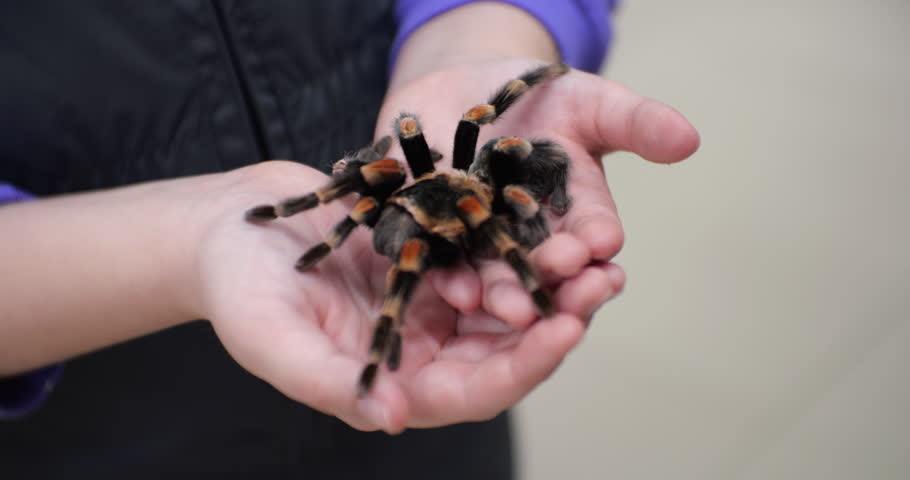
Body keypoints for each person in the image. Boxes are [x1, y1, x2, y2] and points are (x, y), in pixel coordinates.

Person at [0, 1, 699, 477]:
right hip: (93, 437)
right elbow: (362, 204)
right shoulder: (397, 201)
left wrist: (486, 33)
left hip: (434, 442)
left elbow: (491, 136)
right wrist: (223, 228)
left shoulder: (471, 180)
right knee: (412, 221)